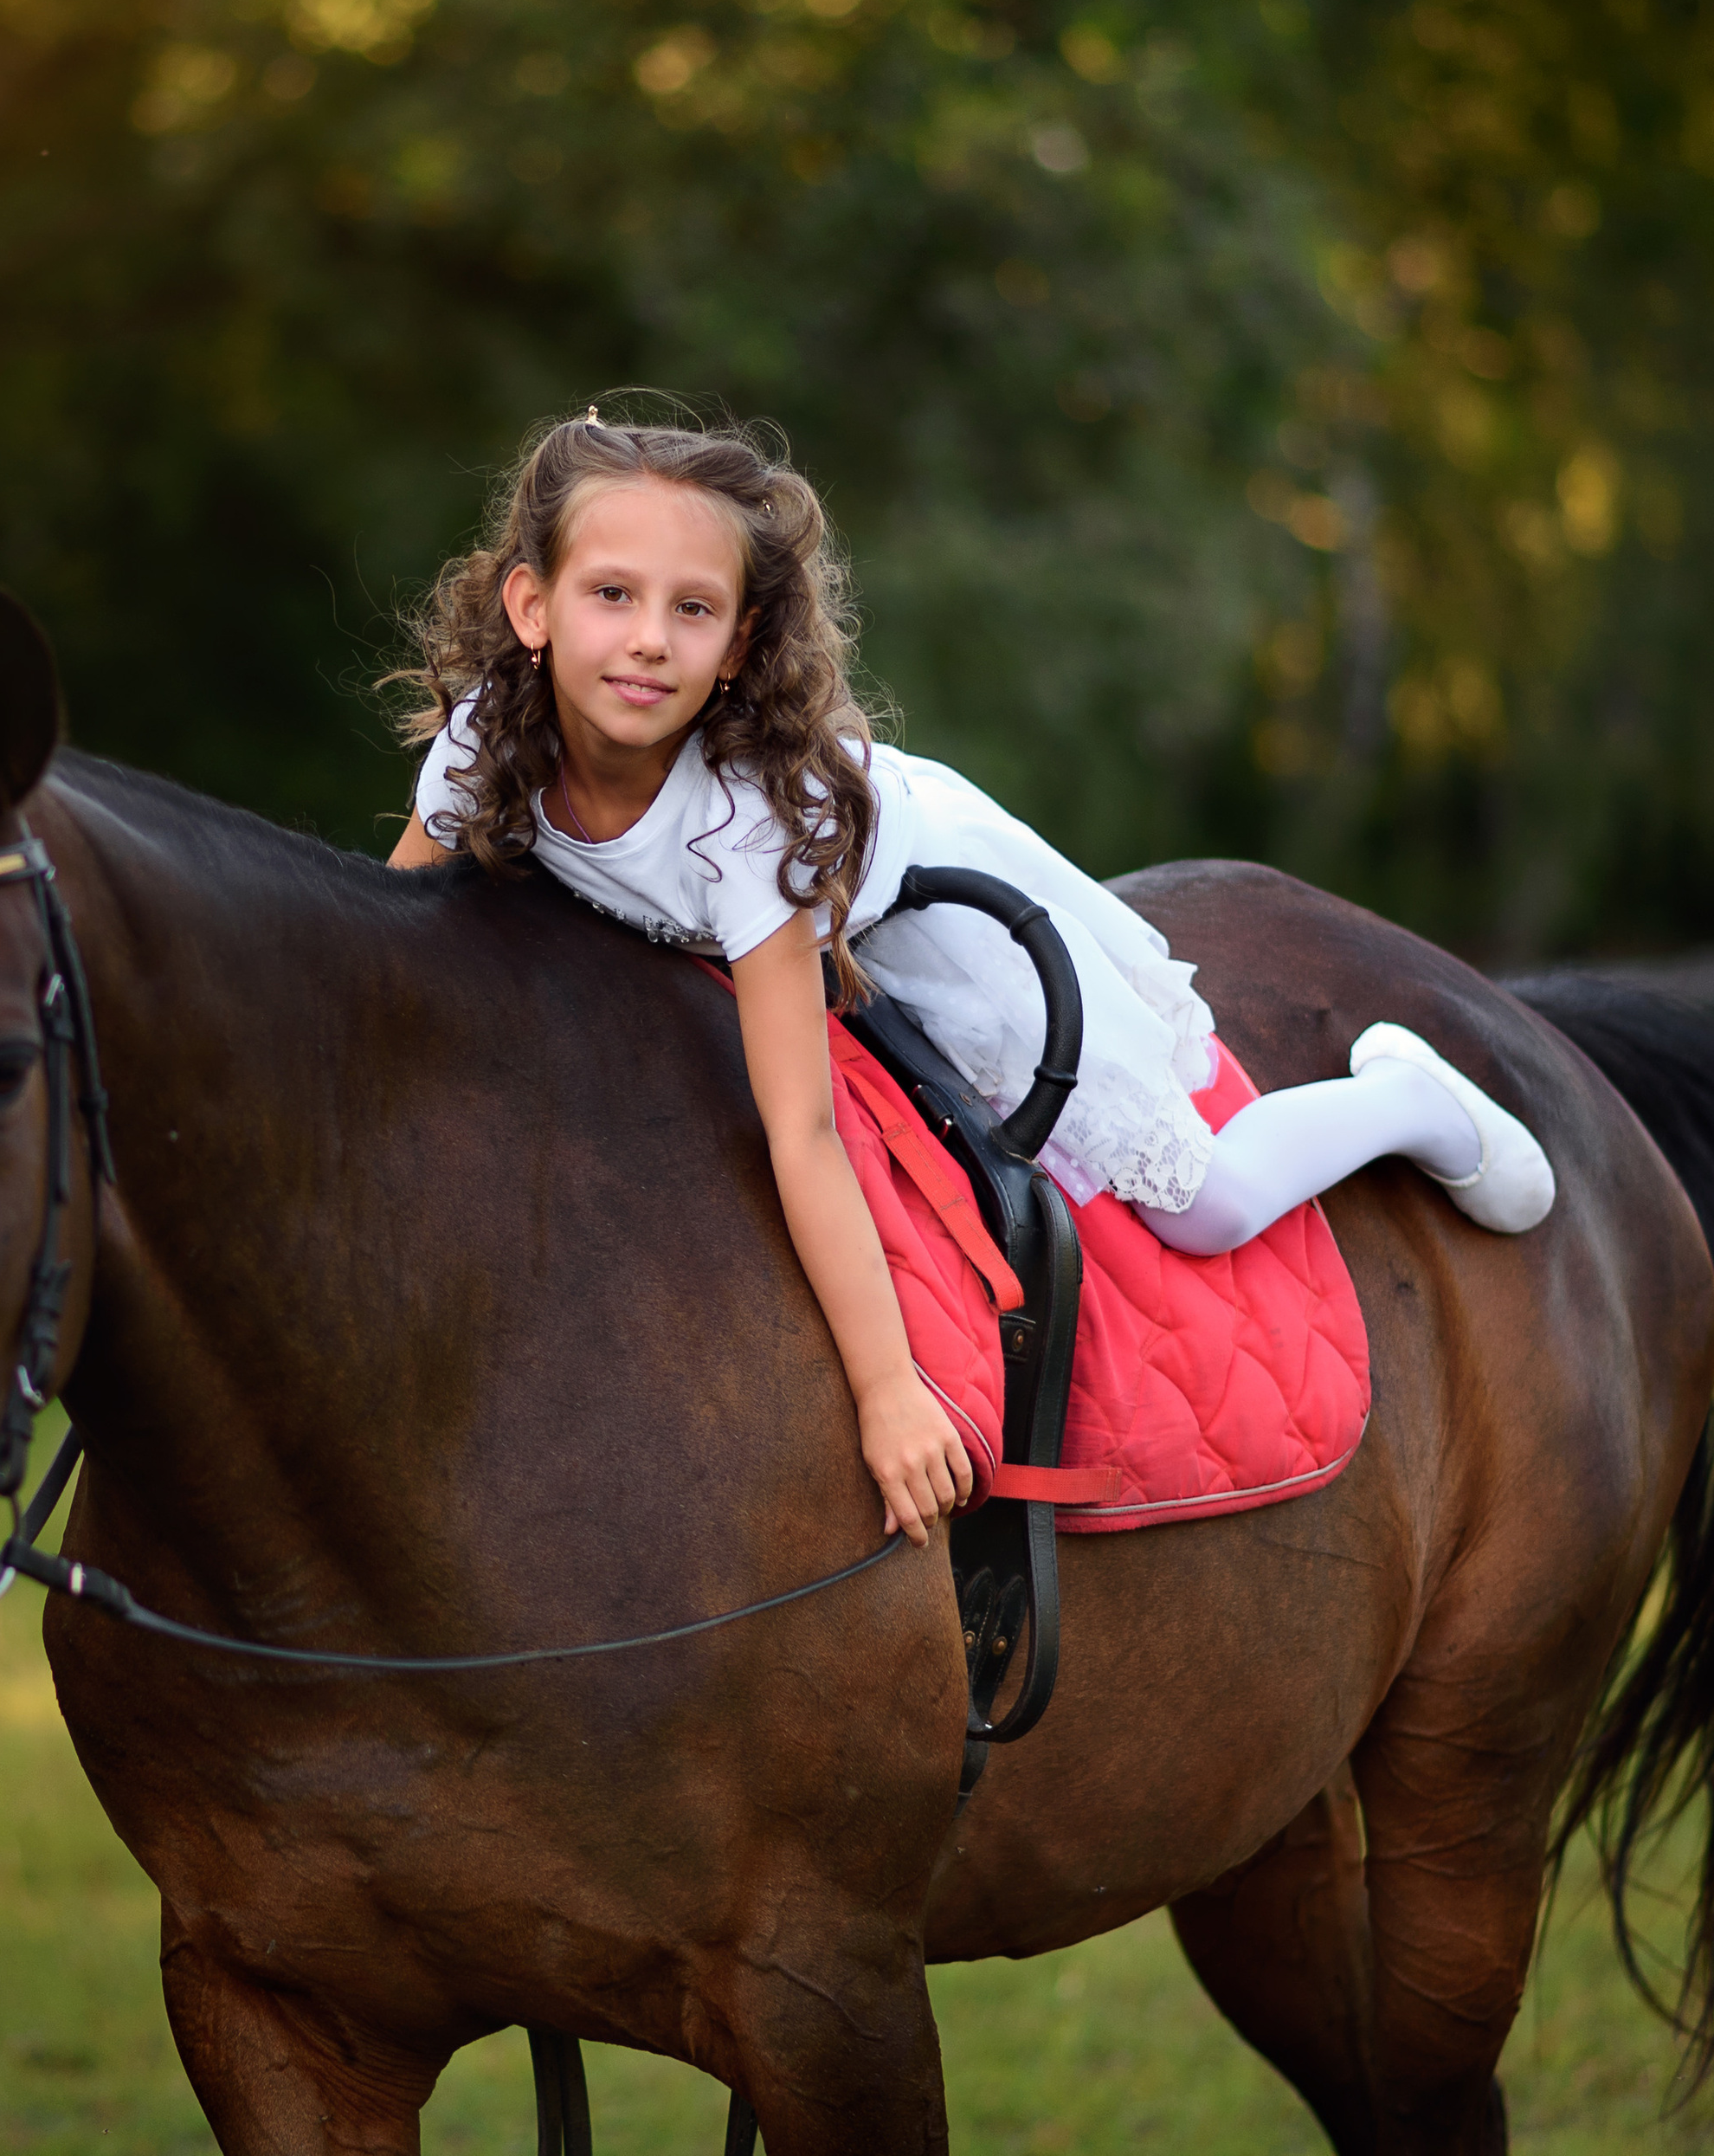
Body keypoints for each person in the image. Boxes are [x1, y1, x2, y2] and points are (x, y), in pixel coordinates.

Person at [386, 410, 1554, 1548]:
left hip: (938, 918)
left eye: (693, 609)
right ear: (531, 607)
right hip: (741, 946)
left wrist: (890, 1388)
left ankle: (1407, 1100)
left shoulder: (743, 827)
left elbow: (799, 1134)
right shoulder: (488, 737)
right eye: (612, 596)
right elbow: (400, 952)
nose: (648, 640)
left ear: (738, 644)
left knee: (1198, 1206)